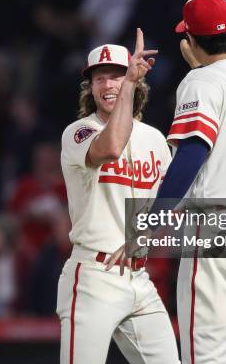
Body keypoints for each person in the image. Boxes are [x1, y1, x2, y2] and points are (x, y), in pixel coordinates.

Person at [109, 0, 226, 363]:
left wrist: (147, 226)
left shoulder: (202, 80)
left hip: (218, 228)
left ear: (189, 41)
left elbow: (190, 155)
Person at [58, 29, 180, 364]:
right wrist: (129, 84)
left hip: (139, 277)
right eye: (100, 78)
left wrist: (143, 233)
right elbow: (111, 148)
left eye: (117, 76)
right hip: (93, 276)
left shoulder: (155, 139)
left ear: (137, 81)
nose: (109, 85)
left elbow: (170, 205)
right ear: (91, 87)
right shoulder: (80, 131)